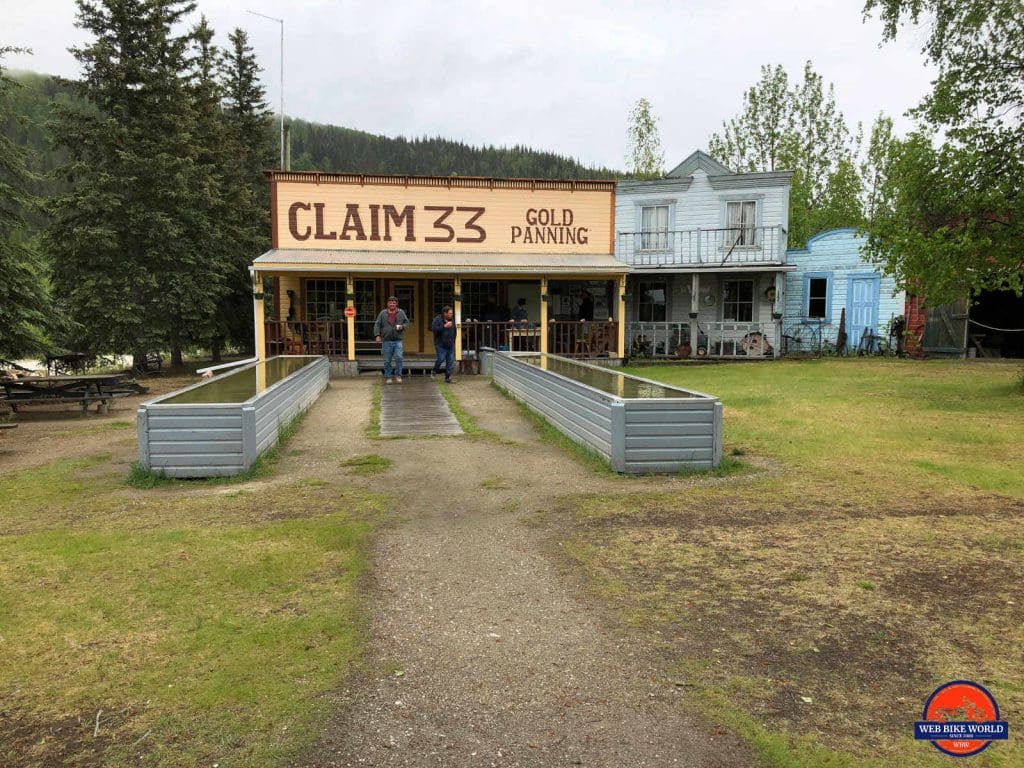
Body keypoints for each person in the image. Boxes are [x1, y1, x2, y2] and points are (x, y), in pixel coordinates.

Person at [373, 296, 409, 384]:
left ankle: (398, 376)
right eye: (390, 302)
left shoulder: (401, 312)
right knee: (387, 360)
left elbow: (407, 322)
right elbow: (377, 324)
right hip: (386, 341)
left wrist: (402, 327)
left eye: (394, 302)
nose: (392, 304)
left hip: (398, 340)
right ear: (387, 304)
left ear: (396, 304)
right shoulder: (383, 313)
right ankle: (388, 377)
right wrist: (377, 335)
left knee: (399, 358)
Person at [431, 305, 456, 384]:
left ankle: (448, 377)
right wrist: (444, 326)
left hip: (450, 344)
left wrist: (453, 341)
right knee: (441, 359)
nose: (451, 315)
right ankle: (434, 371)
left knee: (450, 361)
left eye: (452, 313)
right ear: (445, 313)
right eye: (450, 313)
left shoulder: (452, 320)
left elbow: (455, 331)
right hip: (440, 344)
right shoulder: (437, 320)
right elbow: (434, 330)